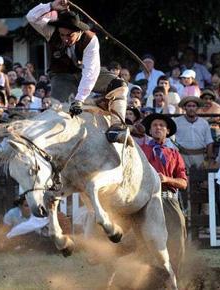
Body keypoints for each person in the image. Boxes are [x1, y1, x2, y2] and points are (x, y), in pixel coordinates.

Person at [26, 0, 129, 143]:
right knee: (59, 110)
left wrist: (79, 100)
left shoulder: (90, 40)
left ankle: (117, 126)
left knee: (119, 85)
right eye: (62, 35)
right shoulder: (51, 30)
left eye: (69, 35)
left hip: (85, 73)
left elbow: (90, 72)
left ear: (79, 31)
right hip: (61, 76)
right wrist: (50, 6)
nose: (65, 39)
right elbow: (31, 17)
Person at [140, 113, 187, 277]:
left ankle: (174, 277)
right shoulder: (140, 151)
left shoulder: (175, 154)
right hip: (145, 200)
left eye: (161, 125)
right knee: (143, 241)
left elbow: (183, 182)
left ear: (167, 131)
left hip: (168, 200)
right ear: (150, 130)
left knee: (178, 237)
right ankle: (145, 278)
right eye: (154, 125)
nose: (158, 127)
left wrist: (166, 178)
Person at [174, 96, 214, 169]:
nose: (191, 108)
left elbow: (209, 142)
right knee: (183, 178)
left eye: (193, 106)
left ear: (197, 108)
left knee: (201, 179)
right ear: (184, 107)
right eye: (189, 106)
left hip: (200, 157)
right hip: (182, 156)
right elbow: (171, 141)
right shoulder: (176, 122)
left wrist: (208, 160)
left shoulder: (204, 123)